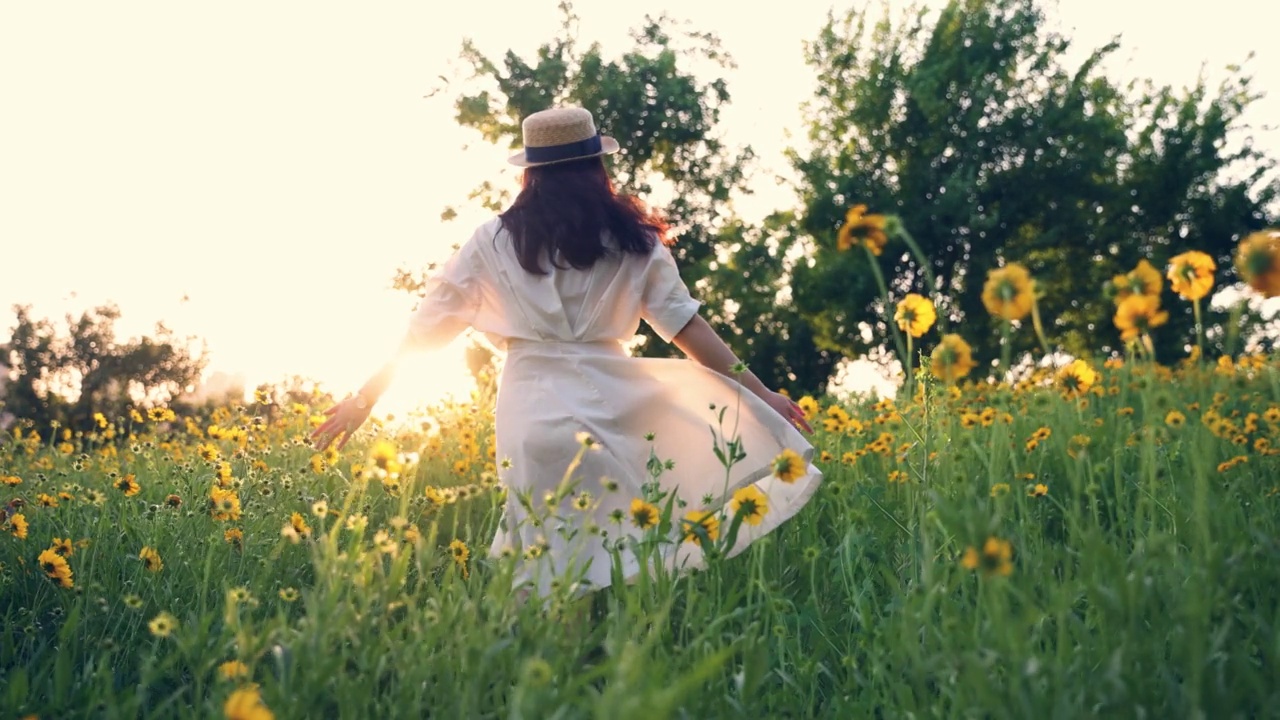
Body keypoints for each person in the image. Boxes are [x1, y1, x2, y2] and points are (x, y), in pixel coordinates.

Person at [313, 106, 822, 599]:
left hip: (530, 414)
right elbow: (686, 326)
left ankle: (545, 666)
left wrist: (365, 398)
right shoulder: (633, 239)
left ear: (530, 174)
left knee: (540, 554)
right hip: (614, 410)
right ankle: (617, 657)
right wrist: (761, 396)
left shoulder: (492, 242)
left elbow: (425, 331)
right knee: (628, 546)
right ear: (596, 166)